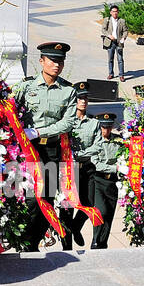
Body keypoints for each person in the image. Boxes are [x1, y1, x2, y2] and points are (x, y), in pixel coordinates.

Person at [12, 42, 77, 252]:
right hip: (30, 150)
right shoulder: (26, 86)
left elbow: (67, 123)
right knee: (31, 199)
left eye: (60, 61)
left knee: (46, 200)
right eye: (52, 60)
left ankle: (33, 243)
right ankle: (24, 241)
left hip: (51, 149)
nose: (56, 65)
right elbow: (10, 109)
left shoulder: (68, 90)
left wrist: (39, 131)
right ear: (42, 61)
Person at [61, 82, 98, 249]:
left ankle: (76, 228)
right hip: (69, 170)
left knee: (89, 203)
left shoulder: (94, 122)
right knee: (66, 208)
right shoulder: (67, 122)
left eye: (85, 98)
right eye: (79, 98)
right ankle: (66, 246)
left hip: (86, 168)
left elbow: (97, 145)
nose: (83, 101)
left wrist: (81, 155)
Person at [86, 113, 123, 249]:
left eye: (108, 127)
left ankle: (103, 242)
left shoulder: (119, 141)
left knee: (110, 213)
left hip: (112, 182)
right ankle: (95, 240)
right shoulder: (94, 141)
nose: (105, 130)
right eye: (102, 127)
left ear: (112, 126)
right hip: (98, 180)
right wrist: (117, 168)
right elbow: (96, 164)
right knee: (101, 211)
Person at [101, 4, 127, 81]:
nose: (115, 13)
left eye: (116, 11)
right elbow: (103, 30)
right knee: (110, 59)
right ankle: (111, 74)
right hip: (110, 42)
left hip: (119, 42)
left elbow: (125, 31)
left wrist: (123, 38)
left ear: (118, 12)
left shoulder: (122, 21)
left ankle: (121, 75)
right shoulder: (107, 20)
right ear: (110, 12)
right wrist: (109, 35)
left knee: (120, 59)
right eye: (113, 11)